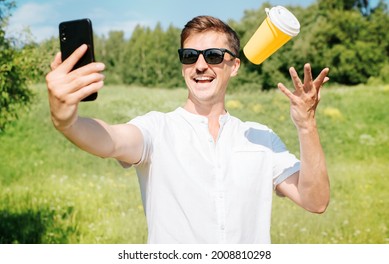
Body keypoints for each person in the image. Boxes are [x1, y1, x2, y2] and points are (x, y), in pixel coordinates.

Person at [46, 15, 330, 244]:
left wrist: (307, 126)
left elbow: (315, 201)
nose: (201, 65)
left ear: (234, 66)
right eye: (190, 55)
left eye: (215, 56)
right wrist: (65, 120)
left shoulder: (261, 137)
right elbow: (110, 141)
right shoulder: (156, 129)